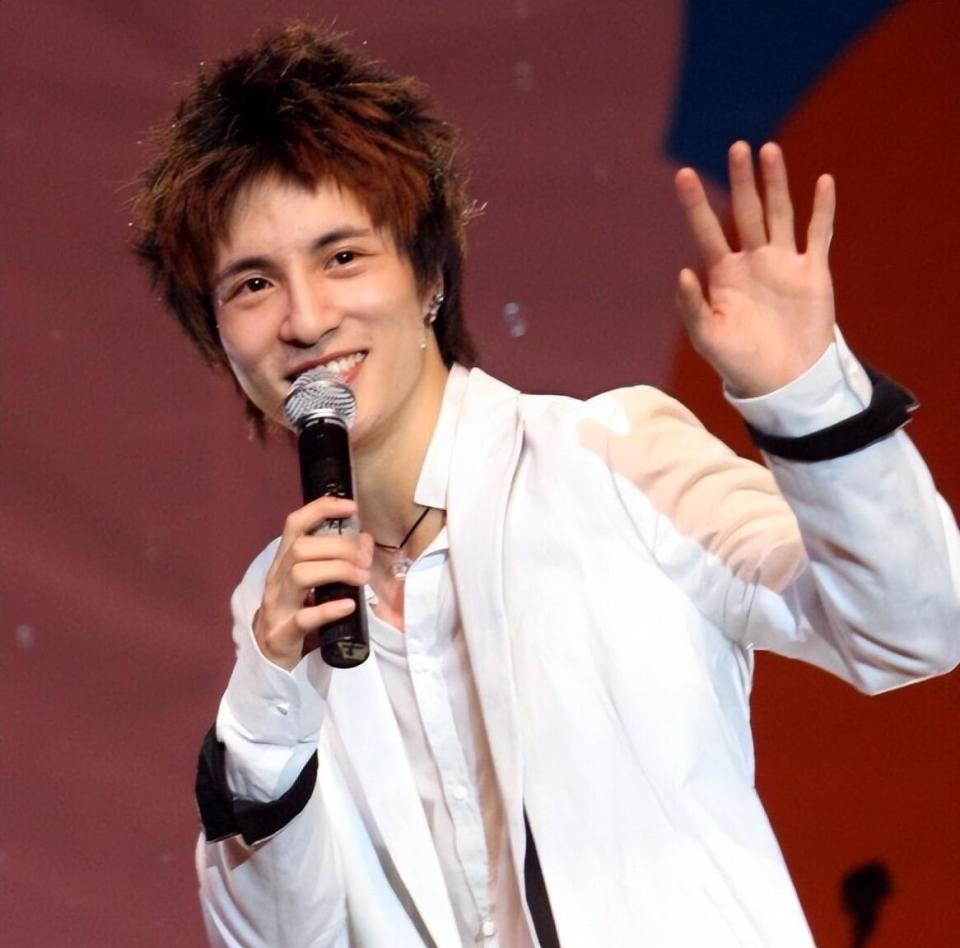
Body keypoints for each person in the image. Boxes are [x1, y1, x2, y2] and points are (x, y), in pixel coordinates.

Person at [132, 22, 960, 948]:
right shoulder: (279, 608)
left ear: (430, 274)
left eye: (342, 257)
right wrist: (269, 711)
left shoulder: (610, 458)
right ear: (219, 341)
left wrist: (809, 400)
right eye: (252, 284)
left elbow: (914, 630)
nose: (306, 318)